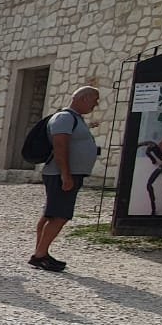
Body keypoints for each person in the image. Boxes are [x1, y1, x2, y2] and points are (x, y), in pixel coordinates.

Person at [31, 86, 101, 272]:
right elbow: (60, 145)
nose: (96, 104)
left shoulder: (74, 118)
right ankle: (40, 256)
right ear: (83, 98)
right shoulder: (65, 118)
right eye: (94, 100)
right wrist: (65, 174)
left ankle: (41, 252)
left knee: (51, 213)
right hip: (61, 174)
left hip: (65, 173)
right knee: (60, 215)